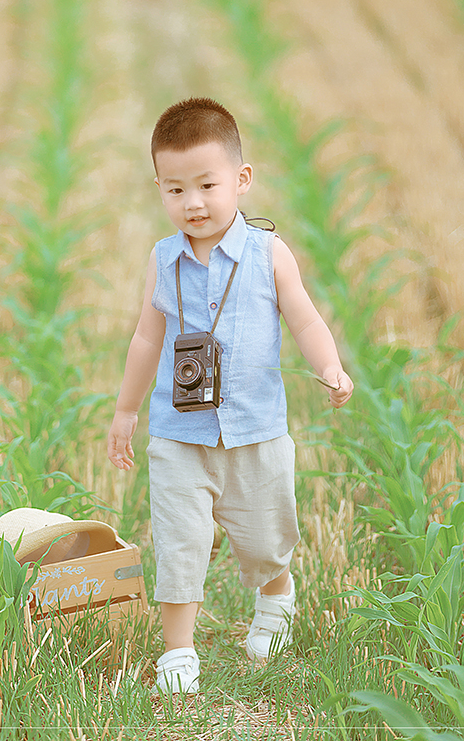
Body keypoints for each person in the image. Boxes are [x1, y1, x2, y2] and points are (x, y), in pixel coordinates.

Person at [107, 97, 354, 695]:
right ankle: (179, 652)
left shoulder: (270, 254)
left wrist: (329, 365)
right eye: (173, 189)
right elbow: (146, 337)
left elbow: (304, 318)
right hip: (178, 432)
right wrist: (126, 410)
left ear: (242, 180)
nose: (191, 203)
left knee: (268, 536)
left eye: (206, 185)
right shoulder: (162, 261)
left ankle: (275, 598)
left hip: (256, 430)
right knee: (180, 540)